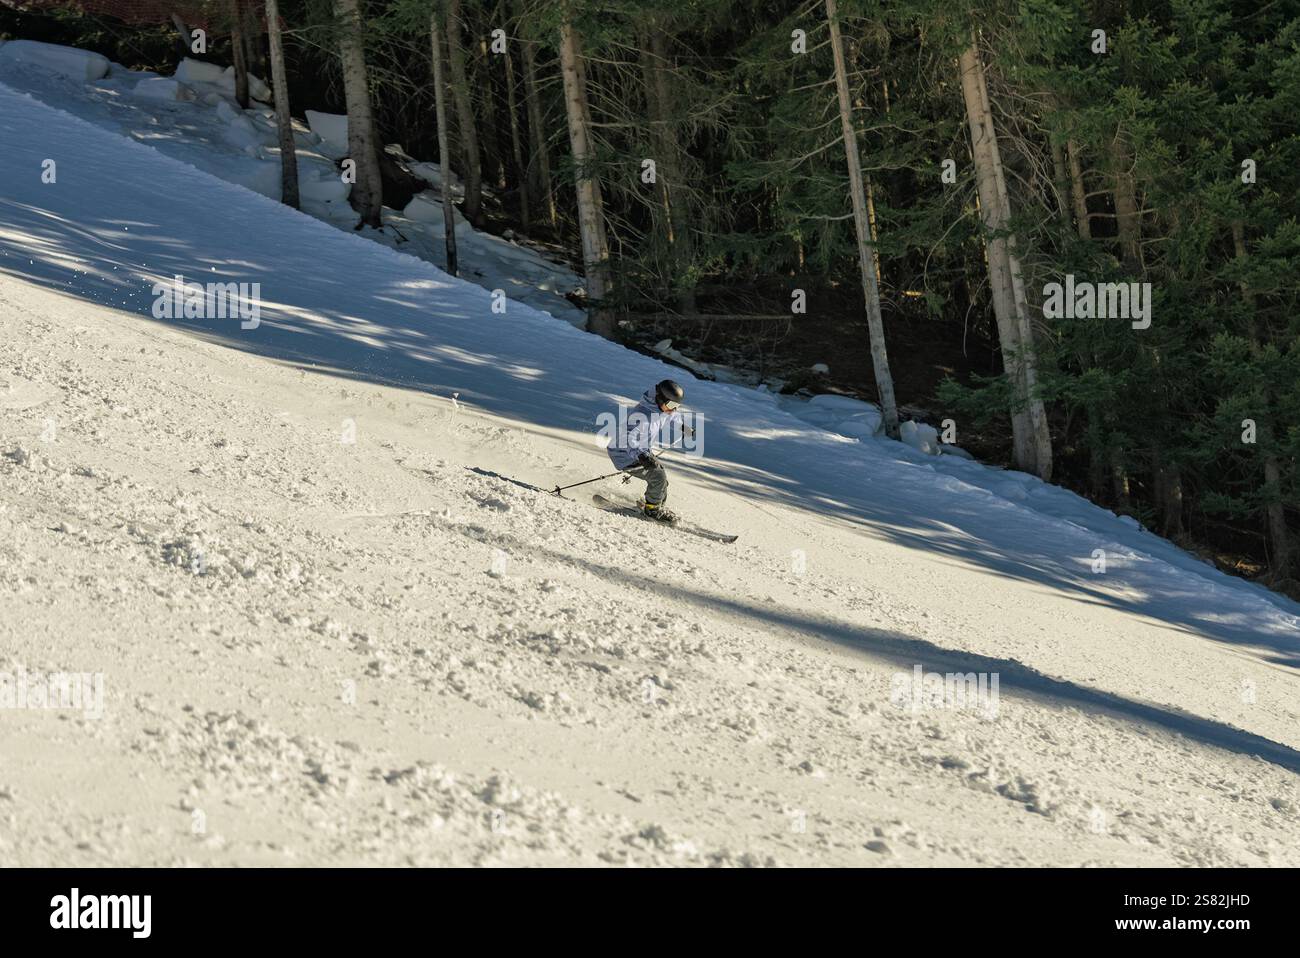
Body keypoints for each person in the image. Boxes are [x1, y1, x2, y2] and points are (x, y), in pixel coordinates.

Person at [606, 379, 686, 523]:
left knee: (661, 476)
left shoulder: (662, 409)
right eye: (671, 405)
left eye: (676, 406)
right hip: (624, 454)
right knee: (658, 476)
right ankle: (652, 510)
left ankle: (657, 505)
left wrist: (684, 428)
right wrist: (641, 455)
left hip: (641, 452)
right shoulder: (641, 416)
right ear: (660, 398)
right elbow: (627, 439)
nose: (673, 409)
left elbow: (672, 417)